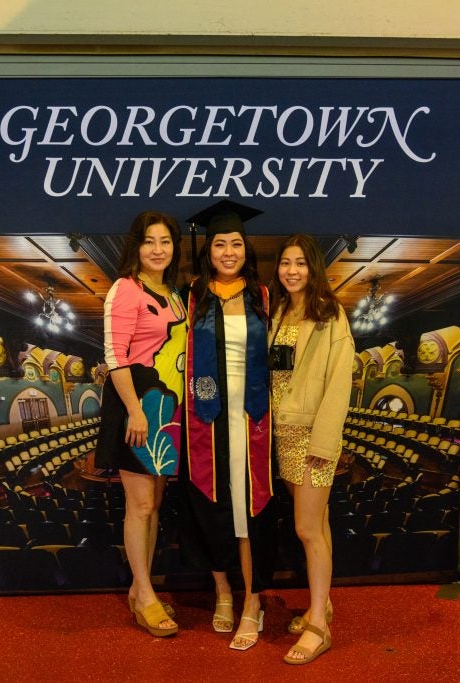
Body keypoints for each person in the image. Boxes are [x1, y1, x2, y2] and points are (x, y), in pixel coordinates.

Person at [181, 203, 275, 651]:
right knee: (213, 507)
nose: (228, 250)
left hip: (254, 415)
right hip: (209, 416)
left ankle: (253, 601)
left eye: (236, 243)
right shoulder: (194, 295)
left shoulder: (262, 295)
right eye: (220, 243)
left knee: (249, 510)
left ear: (245, 247)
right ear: (209, 250)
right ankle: (223, 593)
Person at [94, 210, 188, 638]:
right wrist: (133, 410)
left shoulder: (174, 294)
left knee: (156, 506)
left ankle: (139, 589)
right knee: (142, 506)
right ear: (136, 246)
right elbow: (116, 356)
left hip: (166, 411)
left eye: (165, 241)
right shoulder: (125, 289)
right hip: (136, 408)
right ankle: (146, 597)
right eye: (149, 241)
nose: (157, 249)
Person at [267, 234, 354, 665]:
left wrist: (323, 440)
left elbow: (340, 382)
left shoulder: (329, 314)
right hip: (284, 434)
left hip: (313, 437)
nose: (292, 270)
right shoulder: (281, 310)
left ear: (313, 267)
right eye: (286, 263)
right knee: (317, 523)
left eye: (300, 263)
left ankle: (319, 627)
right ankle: (324, 606)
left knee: (307, 529)